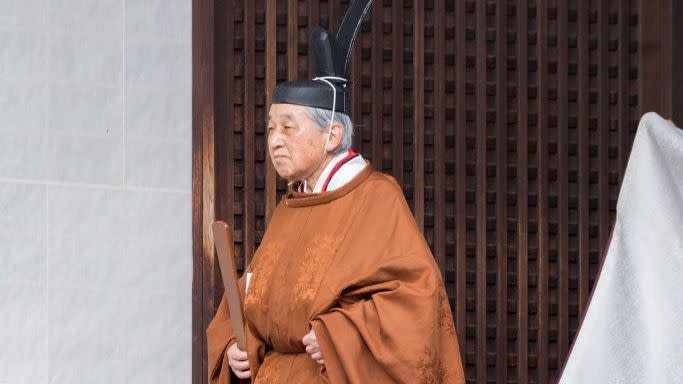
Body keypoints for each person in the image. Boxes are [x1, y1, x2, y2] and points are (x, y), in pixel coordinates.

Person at [207, 1, 465, 382]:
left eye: (288, 128)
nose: (274, 141)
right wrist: (232, 343)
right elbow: (251, 295)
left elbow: (415, 301)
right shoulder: (292, 205)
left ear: (332, 135)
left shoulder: (375, 197)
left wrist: (337, 334)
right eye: (271, 129)